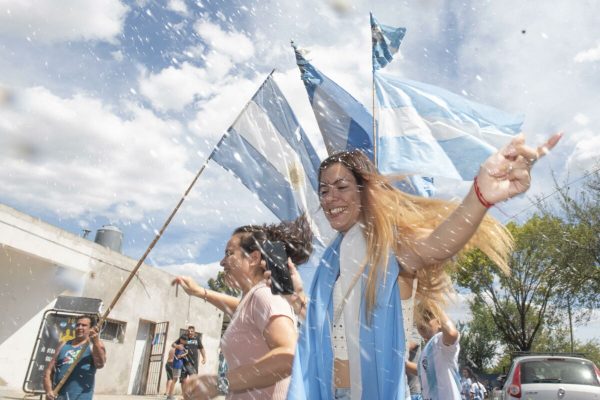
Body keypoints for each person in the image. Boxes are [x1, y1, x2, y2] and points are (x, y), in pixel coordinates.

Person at [284, 133, 561, 399]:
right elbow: (324, 334)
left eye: (341, 187)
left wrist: (480, 196)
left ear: (364, 192)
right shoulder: (330, 266)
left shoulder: (389, 249)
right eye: (323, 190)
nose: (330, 197)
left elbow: (438, 244)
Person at [172, 216, 313, 399]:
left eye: (229, 253)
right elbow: (239, 309)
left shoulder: (263, 295)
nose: (222, 262)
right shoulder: (252, 299)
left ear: (254, 258)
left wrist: (219, 383)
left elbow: (288, 355)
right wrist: (201, 292)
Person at [43, 315, 107, 400]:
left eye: (84, 325)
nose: (80, 327)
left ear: (91, 328)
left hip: (81, 397)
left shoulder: (94, 345)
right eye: (78, 325)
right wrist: (48, 391)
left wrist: (95, 341)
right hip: (59, 396)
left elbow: (100, 364)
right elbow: (48, 371)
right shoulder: (63, 344)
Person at [415, 301, 461, 400]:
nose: (422, 321)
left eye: (427, 317)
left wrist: (432, 301)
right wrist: (404, 364)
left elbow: (452, 333)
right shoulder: (427, 349)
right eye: (419, 319)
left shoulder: (440, 342)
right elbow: (422, 370)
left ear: (440, 323)